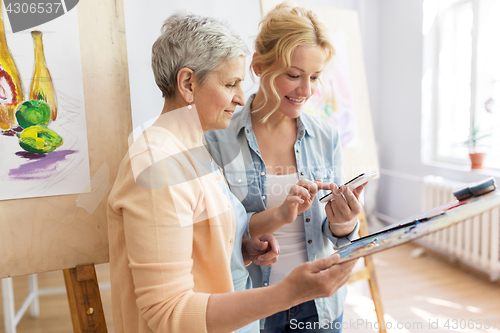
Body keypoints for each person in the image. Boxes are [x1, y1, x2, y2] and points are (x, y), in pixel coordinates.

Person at [107, 12, 357, 333]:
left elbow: (203, 243)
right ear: (187, 84)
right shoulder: (158, 167)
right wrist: (287, 292)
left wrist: (241, 250)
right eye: (230, 84)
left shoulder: (193, 151)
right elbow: (168, 313)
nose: (240, 97)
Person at [204, 3, 365, 332]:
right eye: (293, 75)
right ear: (259, 66)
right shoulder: (218, 138)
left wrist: (345, 222)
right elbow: (214, 235)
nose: (306, 90)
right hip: (250, 306)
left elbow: (335, 236)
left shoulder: (326, 136)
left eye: (315, 77)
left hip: (319, 304)